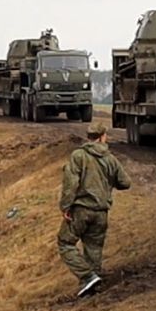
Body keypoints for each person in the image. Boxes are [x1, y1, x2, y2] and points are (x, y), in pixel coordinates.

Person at [58, 123, 132, 297]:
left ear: (89, 137)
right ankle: (93, 283)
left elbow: (71, 184)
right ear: (102, 136)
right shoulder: (111, 159)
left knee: (65, 243)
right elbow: (125, 183)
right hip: (101, 212)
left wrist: (65, 206)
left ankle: (87, 277)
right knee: (93, 247)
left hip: (81, 210)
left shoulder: (78, 156)